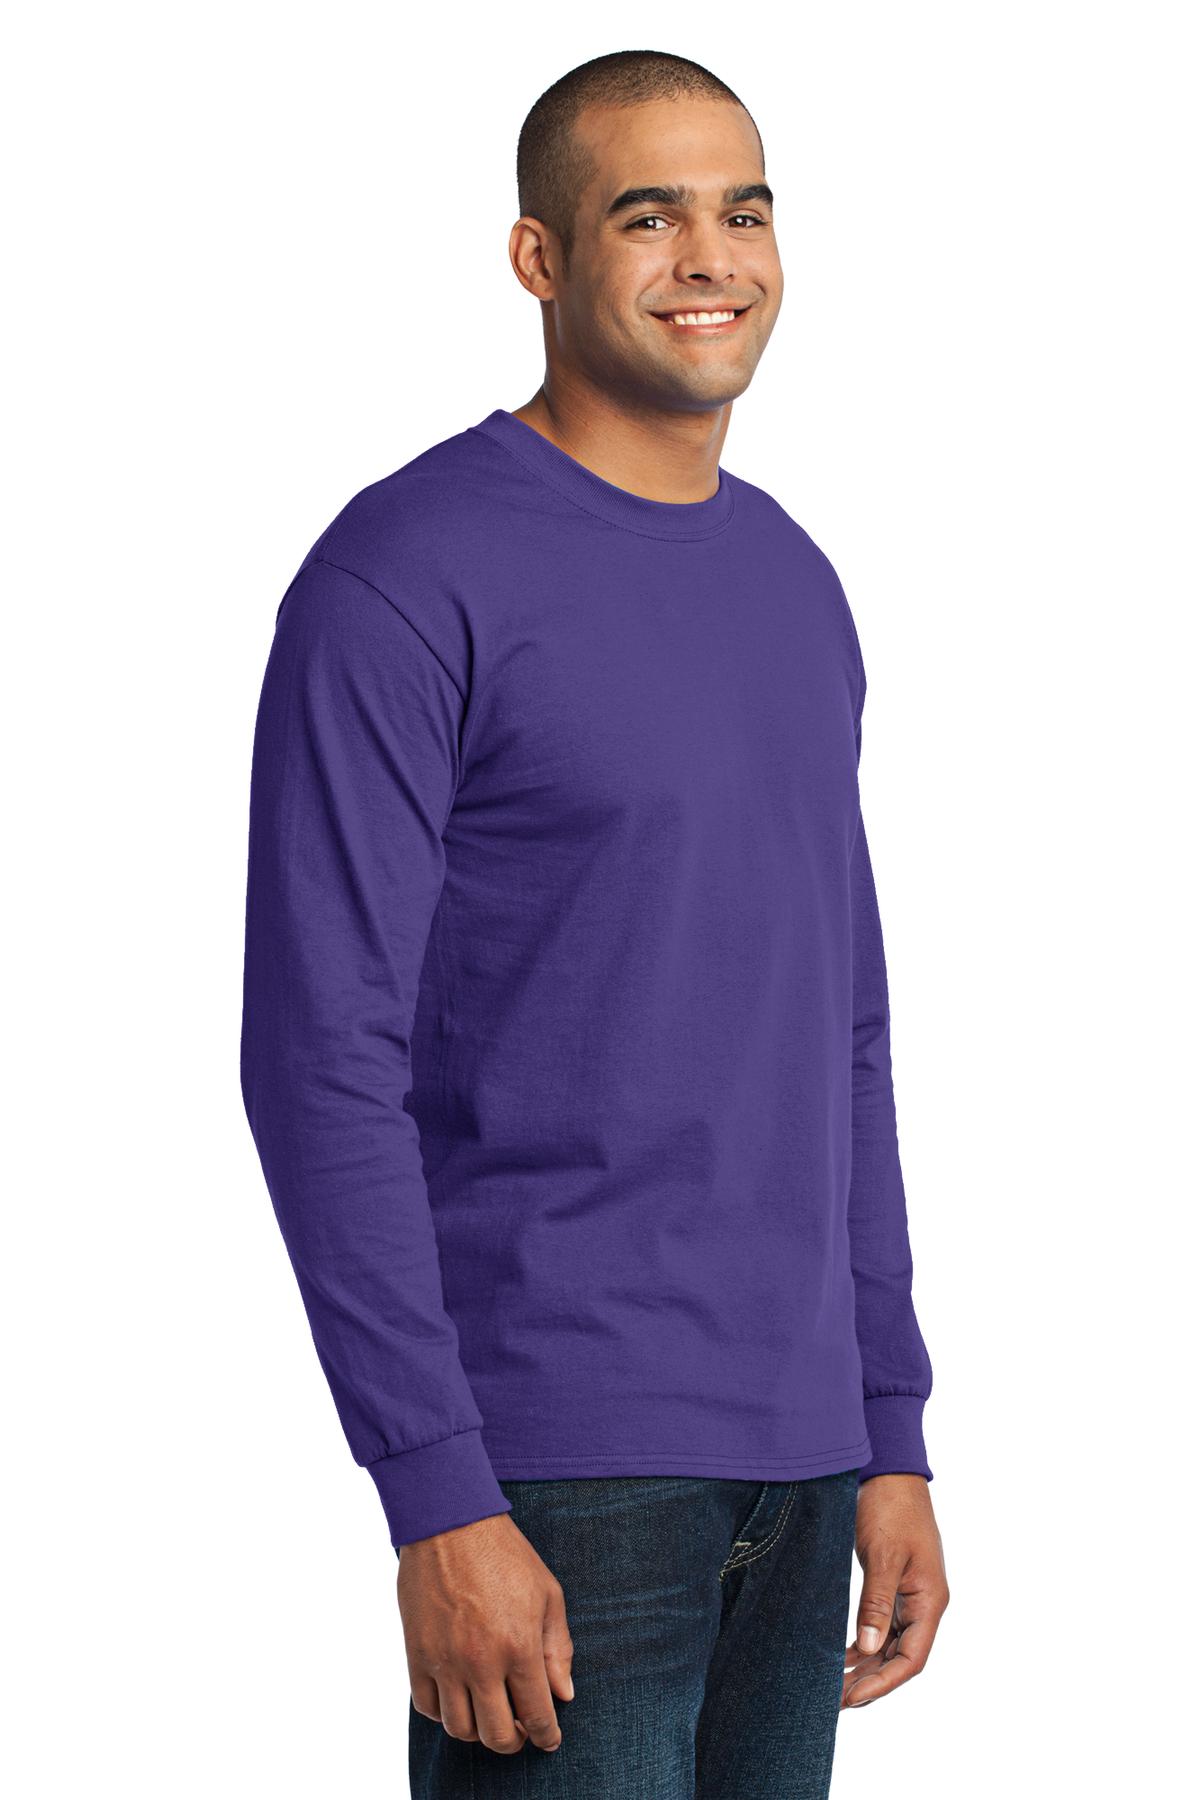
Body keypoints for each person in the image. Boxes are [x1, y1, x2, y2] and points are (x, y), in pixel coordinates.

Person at [240, 47, 949, 1800]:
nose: (712, 259)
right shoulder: (404, 575)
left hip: (802, 1467)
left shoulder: (795, 581)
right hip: (556, 1477)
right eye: (650, 216)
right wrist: (436, 1491)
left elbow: (842, 1030)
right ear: (539, 259)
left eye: (744, 212)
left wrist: (888, 1428)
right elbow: (319, 1060)